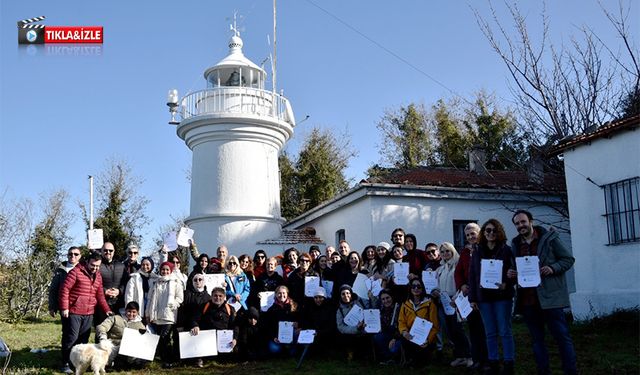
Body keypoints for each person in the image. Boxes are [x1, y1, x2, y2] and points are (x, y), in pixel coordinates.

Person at [509, 210, 577, 375]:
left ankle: (570, 371)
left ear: (531, 221)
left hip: (550, 299)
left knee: (562, 338)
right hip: (528, 301)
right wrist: (512, 273)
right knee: (537, 341)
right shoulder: (516, 244)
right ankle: (543, 371)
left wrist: (552, 268)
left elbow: (568, 260)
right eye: (517, 223)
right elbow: (515, 268)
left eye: (523, 222)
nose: (520, 226)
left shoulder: (550, 238)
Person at [469, 219, 516, 375]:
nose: (491, 233)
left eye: (494, 231)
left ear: (499, 232)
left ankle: (509, 363)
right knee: (490, 332)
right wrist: (473, 298)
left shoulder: (507, 250)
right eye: (488, 230)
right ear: (483, 232)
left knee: (504, 330)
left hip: (502, 297)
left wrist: (507, 284)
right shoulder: (477, 251)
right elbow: (473, 275)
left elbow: (514, 273)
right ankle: (493, 362)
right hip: (484, 298)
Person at [58, 252, 112, 374]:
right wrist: (65, 307)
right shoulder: (75, 272)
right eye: (93, 265)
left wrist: (107, 309)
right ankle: (65, 362)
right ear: (87, 262)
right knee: (71, 338)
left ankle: (80, 363)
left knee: (83, 340)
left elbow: (100, 295)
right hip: (74, 311)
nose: (95, 268)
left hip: (88, 312)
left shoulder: (98, 276)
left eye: (98, 266)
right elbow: (64, 289)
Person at [454, 222, 488, 371]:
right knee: (473, 329)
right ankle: (477, 360)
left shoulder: (486, 249)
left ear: (479, 233)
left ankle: (488, 361)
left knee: (486, 330)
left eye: (473, 233)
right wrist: (461, 285)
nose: (470, 237)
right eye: (467, 235)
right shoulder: (465, 252)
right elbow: (458, 272)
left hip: (484, 295)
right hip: (470, 296)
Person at [433, 242, 472, 368]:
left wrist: (457, 297)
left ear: (453, 251)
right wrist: (436, 291)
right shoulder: (441, 268)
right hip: (444, 301)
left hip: (456, 300)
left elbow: (463, 282)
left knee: (459, 329)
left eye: (447, 251)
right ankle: (460, 356)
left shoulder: (458, 265)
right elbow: (438, 284)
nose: (445, 254)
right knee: (450, 331)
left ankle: (469, 356)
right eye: (442, 252)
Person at [146, 261, 184, 368]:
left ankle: (169, 360)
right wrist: (148, 314)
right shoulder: (155, 282)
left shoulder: (176, 282)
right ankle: (163, 359)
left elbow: (180, 297)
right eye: (163, 269)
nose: (165, 271)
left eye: (167, 269)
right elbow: (150, 299)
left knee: (165, 338)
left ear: (171, 270)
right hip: (156, 316)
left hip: (168, 316)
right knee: (159, 339)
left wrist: (174, 304)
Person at [189, 287, 238, 366]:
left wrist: (235, 339)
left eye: (220, 296)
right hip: (206, 340)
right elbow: (194, 319)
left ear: (224, 297)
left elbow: (235, 325)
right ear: (211, 296)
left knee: (231, 358)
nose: (217, 298)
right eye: (215, 296)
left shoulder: (230, 309)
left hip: (224, 340)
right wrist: (195, 326)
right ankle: (200, 359)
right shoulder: (204, 307)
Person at [398, 278, 439, 368]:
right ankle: (411, 360)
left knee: (420, 359)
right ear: (410, 288)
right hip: (409, 336)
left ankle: (418, 360)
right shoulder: (405, 304)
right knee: (404, 340)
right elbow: (401, 321)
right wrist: (404, 332)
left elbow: (435, 326)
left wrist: (428, 340)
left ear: (422, 288)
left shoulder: (430, 304)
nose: (416, 288)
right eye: (413, 286)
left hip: (425, 338)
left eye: (418, 286)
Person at [96, 301, 147, 368]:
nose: (131, 314)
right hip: (113, 346)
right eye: (129, 311)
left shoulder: (140, 325)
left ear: (137, 312)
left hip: (129, 350)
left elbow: (144, 339)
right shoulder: (115, 318)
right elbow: (102, 327)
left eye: (134, 312)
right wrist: (103, 337)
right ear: (125, 310)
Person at [260, 285, 299, 356]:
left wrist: (298, 324)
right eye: (279, 293)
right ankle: (285, 348)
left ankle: (289, 348)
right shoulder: (271, 309)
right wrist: (273, 337)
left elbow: (301, 319)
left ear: (287, 294)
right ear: (276, 295)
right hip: (277, 336)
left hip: (291, 335)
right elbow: (268, 326)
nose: (282, 295)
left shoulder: (294, 306)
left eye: (284, 293)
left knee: (293, 352)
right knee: (274, 349)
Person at [335, 284, 368, 361]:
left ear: (351, 293)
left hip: (364, 330)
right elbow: (341, 327)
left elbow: (370, 308)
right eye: (343, 294)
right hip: (350, 333)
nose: (346, 296)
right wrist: (356, 328)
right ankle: (350, 353)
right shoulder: (339, 310)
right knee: (344, 338)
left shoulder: (360, 301)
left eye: (348, 293)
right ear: (340, 296)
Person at [300, 287, 336, 357]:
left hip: (325, 335)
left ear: (324, 297)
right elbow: (307, 321)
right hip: (313, 334)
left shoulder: (330, 309)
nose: (318, 300)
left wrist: (319, 332)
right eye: (316, 298)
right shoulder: (310, 308)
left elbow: (331, 326)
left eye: (320, 297)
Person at [98, 242, 127, 326]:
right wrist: (104, 291)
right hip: (101, 305)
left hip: (118, 304)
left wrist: (119, 291)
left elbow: (126, 282)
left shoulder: (121, 266)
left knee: (117, 331)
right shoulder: (97, 265)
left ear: (114, 251)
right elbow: (93, 283)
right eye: (105, 250)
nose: (108, 252)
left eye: (110, 250)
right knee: (101, 329)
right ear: (101, 251)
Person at [49, 247, 82, 317]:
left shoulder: (84, 269)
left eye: (76, 254)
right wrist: (52, 306)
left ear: (80, 256)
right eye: (70, 254)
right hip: (63, 306)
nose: (73, 256)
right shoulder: (60, 270)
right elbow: (53, 289)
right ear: (67, 255)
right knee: (66, 327)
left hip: (80, 307)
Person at [372, 289, 401, 364]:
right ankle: (388, 358)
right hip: (387, 334)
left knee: (393, 349)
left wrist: (395, 338)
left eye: (387, 298)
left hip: (399, 335)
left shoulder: (399, 308)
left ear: (392, 297)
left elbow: (402, 326)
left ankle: (396, 358)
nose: (386, 301)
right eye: (383, 299)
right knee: (377, 337)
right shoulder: (381, 310)